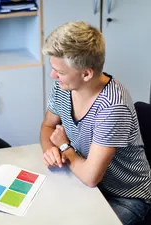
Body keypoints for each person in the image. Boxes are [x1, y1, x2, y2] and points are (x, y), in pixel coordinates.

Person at [40, 21, 151, 224]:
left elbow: (91, 177)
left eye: (60, 72)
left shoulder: (112, 106)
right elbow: (47, 126)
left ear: (86, 73)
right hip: (82, 181)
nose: (53, 75)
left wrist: (64, 147)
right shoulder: (64, 86)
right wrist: (50, 150)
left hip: (125, 196)